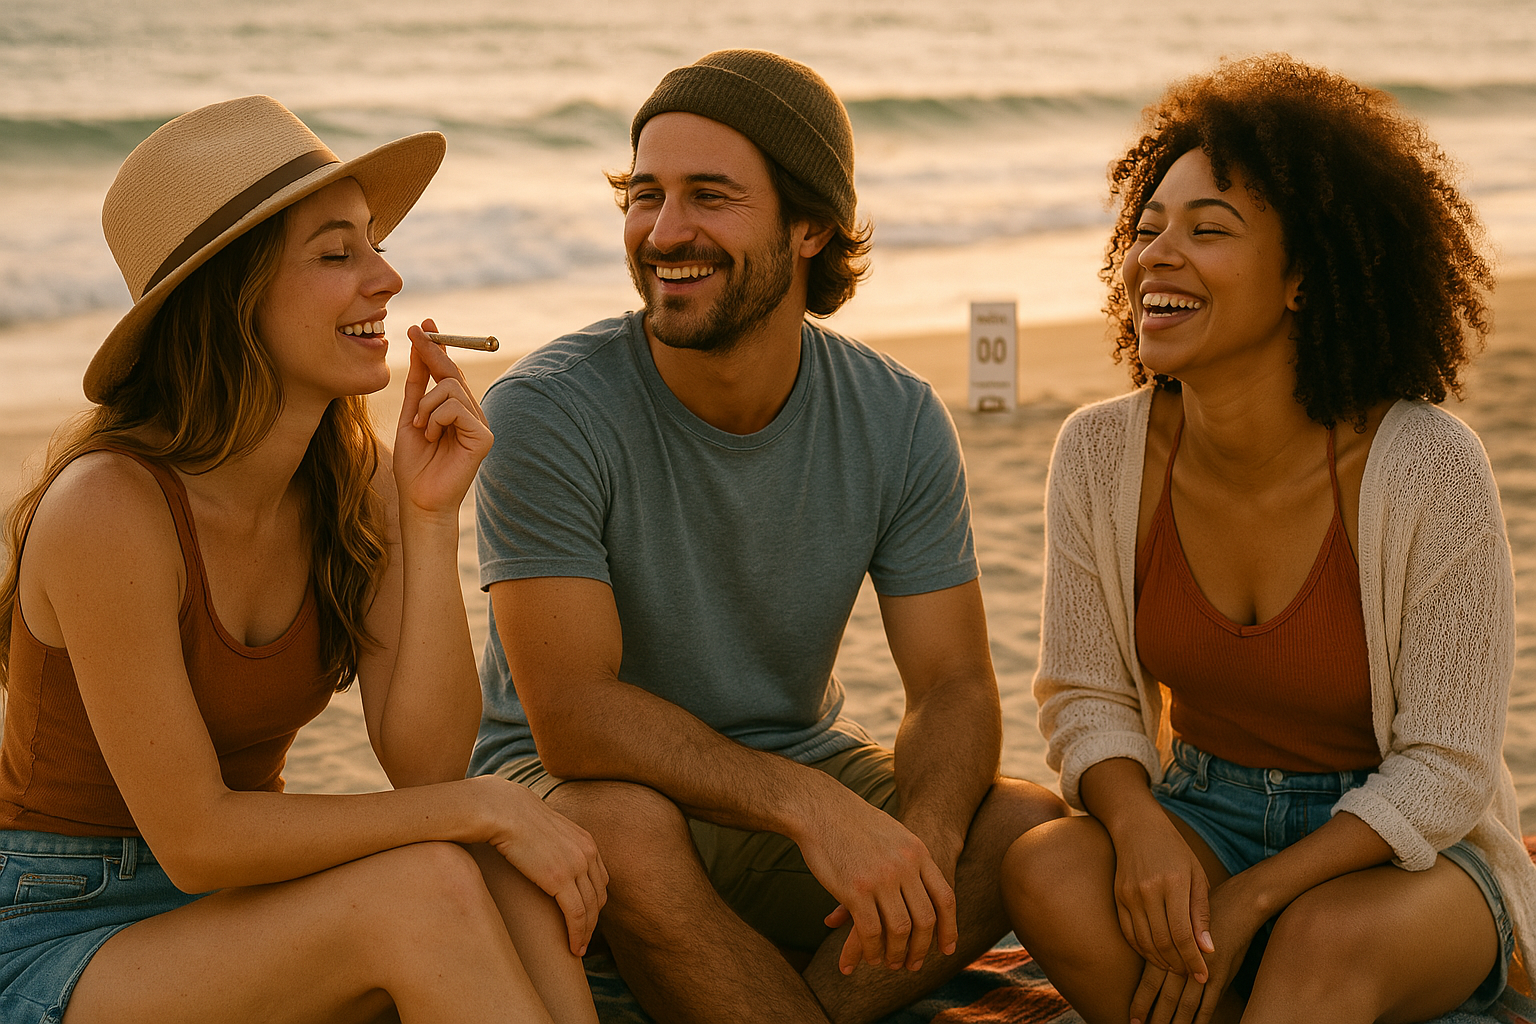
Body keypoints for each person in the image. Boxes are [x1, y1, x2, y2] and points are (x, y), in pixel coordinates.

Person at [471, 49, 1067, 1024]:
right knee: (623, 822)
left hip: (792, 765)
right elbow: (573, 716)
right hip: (576, 794)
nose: (665, 233)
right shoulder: (548, 410)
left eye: (710, 195)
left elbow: (953, 683)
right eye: (644, 194)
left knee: (1020, 826)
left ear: (810, 226)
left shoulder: (897, 415)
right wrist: (809, 804)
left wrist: (920, 835)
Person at [0, 95, 607, 1024]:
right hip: (61, 930)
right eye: (338, 254)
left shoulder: (348, 485)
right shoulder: (109, 511)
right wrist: (483, 806)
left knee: (493, 865)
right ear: (231, 297)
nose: (389, 276)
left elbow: (429, 766)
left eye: (375, 244)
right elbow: (199, 838)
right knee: (433, 883)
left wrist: (426, 515)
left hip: (239, 908)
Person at [1004, 54, 1536, 1024]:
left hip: (1396, 846)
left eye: (1209, 230)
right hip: (1202, 807)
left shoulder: (1425, 464)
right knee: (1046, 868)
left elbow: (1450, 765)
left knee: (1319, 942)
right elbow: (1083, 696)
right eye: (1148, 225)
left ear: (1303, 276)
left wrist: (1257, 896)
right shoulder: (1101, 451)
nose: (1156, 254)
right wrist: (1138, 828)